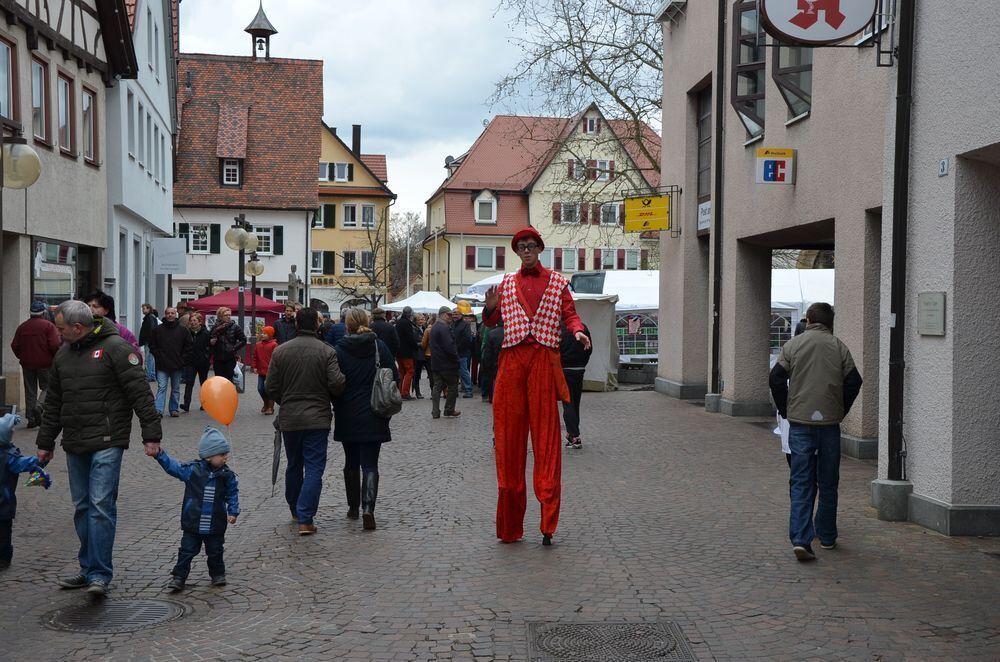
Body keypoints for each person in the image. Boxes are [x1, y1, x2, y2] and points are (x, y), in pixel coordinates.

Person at [36, 300, 162, 597]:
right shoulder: (63, 354)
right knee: (82, 507)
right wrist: (45, 442)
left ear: (78, 328)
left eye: (61, 329)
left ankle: (99, 574)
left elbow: (141, 394)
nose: (58, 333)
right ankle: (87, 568)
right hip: (76, 441)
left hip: (108, 439)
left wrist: (151, 435)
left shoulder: (117, 348)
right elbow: (53, 401)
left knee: (100, 506)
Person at [482, 227, 590, 546]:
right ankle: (510, 527)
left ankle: (547, 523)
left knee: (546, 440)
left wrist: (578, 331)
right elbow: (491, 322)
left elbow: (570, 315)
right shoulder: (506, 283)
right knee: (508, 441)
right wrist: (489, 308)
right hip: (513, 360)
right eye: (521, 247)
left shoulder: (557, 282)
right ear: (517, 252)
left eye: (531, 246)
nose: (526, 251)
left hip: (543, 359)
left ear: (540, 249)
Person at [769, 302, 863, 562]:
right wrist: (839, 408)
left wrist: (786, 407)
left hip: (800, 422)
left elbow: (776, 377)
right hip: (829, 425)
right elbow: (855, 380)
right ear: (830, 322)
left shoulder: (794, 345)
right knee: (829, 481)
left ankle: (801, 539)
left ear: (808, 319)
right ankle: (828, 536)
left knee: (801, 481)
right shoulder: (838, 347)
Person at [265, 308, 346, 535]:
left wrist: (286, 400)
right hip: (317, 418)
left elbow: (271, 387)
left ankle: (294, 508)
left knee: (293, 464)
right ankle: (305, 517)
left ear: (296, 325)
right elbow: (337, 384)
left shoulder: (280, 352)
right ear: (317, 325)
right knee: (313, 468)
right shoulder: (326, 351)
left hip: (290, 417)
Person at [333, 308, 397, 530]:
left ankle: (353, 507)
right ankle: (368, 508)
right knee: (370, 463)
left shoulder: (339, 350)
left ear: (347, 325)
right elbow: (393, 377)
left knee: (350, 462)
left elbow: (333, 382)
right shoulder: (379, 347)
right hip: (374, 411)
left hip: (347, 413)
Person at [155, 427, 239, 592]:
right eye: (222, 454)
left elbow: (232, 493)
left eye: (226, 454)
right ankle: (179, 577)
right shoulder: (193, 470)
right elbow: (174, 467)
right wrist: (160, 455)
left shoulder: (226, 474)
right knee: (186, 551)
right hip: (193, 522)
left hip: (215, 523)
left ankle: (217, 574)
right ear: (208, 456)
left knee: (215, 551)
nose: (225, 457)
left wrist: (233, 511)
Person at [1, 413, 52, 570]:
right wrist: (40, 461)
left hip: (4, 503)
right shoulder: (9, 457)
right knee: (3, 535)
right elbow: (25, 463)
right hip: (4, 503)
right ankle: (3, 559)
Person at [10, 301, 61, 428]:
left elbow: (14, 345)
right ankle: (39, 406)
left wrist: (22, 356)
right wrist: (54, 358)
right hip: (45, 363)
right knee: (48, 387)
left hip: (27, 364)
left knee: (30, 390)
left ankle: (31, 418)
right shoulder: (48, 326)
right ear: (43, 312)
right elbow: (55, 345)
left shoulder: (22, 327)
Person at [150, 307, 193, 418]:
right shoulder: (157, 330)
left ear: (176, 315)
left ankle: (174, 409)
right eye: (168, 313)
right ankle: (158, 410)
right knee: (162, 387)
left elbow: (189, 347)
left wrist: (182, 359)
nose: (170, 315)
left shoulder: (183, 330)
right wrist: (158, 356)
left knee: (176, 388)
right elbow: (152, 346)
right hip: (162, 365)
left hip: (177, 365)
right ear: (165, 314)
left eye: (172, 313)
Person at [560, 323, 593, 450]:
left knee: (568, 403)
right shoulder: (583, 328)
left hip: (564, 369)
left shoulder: (560, 329)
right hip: (579, 368)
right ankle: (572, 432)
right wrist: (582, 362)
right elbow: (589, 348)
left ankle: (574, 436)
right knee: (575, 403)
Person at [429, 306, 461, 419]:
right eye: (449, 315)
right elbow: (449, 347)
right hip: (447, 364)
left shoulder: (434, 327)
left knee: (437, 387)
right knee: (452, 386)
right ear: (443, 314)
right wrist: (456, 360)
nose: (451, 317)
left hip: (436, 363)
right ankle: (449, 409)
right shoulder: (444, 328)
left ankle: (435, 411)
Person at [182, 312, 212, 413]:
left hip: (203, 362)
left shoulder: (205, 333)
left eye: (195, 320)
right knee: (189, 383)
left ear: (200, 322)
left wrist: (207, 357)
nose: (193, 322)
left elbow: (210, 347)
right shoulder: (187, 333)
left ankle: (205, 404)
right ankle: (186, 404)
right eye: (191, 321)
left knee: (203, 384)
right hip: (190, 362)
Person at [209, 307, 246, 382]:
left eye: (229, 315)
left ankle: (229, 393)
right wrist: (211, 342)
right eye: (226, 315)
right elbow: (208, 339)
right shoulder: (215, 327)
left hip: (230, 357)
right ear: (220, 316)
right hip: (218, 358)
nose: (228, 316)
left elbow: (243, 340)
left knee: (229, 380)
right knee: (219, 380)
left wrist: (233, 348)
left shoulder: (235, 327)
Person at [394, 306, 419, 400]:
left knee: (402, 372)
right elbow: (410, 338)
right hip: (406, 352)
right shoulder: (407, 323)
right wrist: (416, 346)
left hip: (399, 351)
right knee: (410, 371)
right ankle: (405, 393)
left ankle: (400, 391)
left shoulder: (398, 322)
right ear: (410, 314)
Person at [451, 303, 476, 398]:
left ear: (461, 315)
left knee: (463, 371)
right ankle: (456, 391)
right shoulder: (452, 324)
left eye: (456, 314)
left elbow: (466, 339)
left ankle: (469, 390)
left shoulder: (465, 325)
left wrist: (457, 348)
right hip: (453, 353)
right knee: (454, 372)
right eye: (453, 314)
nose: (454, 316)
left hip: (462, 353)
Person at [252, 326, 277, 415]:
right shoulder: (258, 345)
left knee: (269, 390)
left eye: (265, 333)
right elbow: (255, 356)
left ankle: (270, 407)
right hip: (261, 372)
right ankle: (266, 403)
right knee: (260, 389)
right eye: (262, 333)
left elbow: (276, 358)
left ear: (270, 335)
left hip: (271, 372)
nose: (262, 334)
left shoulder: (274, 345)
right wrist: (254, 366)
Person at [480, 323, 504, 404]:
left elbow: (488, 353)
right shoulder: (514, 331)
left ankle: (492, 397)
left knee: (493, 379)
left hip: (494, 362)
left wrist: (486, 364)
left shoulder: (492, 333)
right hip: (507, 362)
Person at [138, 303, 159, 382]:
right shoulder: (151, 318)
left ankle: (148, 376)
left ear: (149, 309)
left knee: (148, 359)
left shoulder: (149, 318)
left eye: (144, 308)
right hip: (151, 341)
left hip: (149, 341)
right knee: (151, 359)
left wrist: (149, 341)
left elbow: (150, 330)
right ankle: (152, 375)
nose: (143, 310)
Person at [412, 314, 427, 399]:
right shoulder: (414, 329)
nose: (421, 321)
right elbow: (414, 342)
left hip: (425, 354)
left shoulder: (425, 328)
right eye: (419, 320)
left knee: (431, 373)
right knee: (417, 375)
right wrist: (422, 343)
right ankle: (417, 392)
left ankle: (433, 392)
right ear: (416, 321)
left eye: (422, 319)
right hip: (418, 354)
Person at [420, 315, 435, 395]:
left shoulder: (428, 330)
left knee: (431, 373)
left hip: (429, 353)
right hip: (439, 354)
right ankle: (444, 391)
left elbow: (423, 343)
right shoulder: (443, 328)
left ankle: (433, 391)